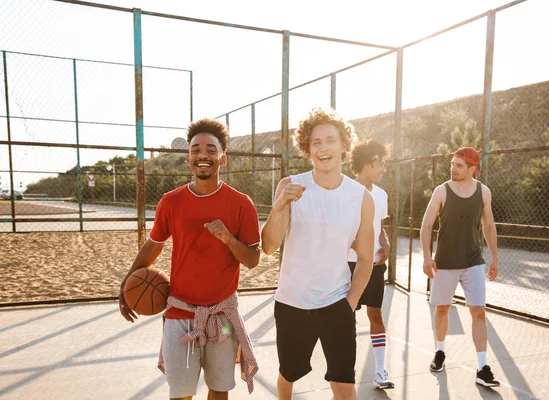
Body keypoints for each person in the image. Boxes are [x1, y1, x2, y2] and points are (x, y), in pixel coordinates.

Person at [118, 118, 260, 400]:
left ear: (223, 158)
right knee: (180, 393)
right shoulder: (171, 201)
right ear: (188, 159)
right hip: (180, 313)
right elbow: (153, 245)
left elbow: (253, 259)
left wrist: (229, 240)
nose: (203, 155)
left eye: (210, 149)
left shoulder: (241, 203)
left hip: (222, 315)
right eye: (196, 150)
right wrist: (126, 285)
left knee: (219, 391)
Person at [261, 108, 375, 400]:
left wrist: (349, 303)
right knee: (288, 374)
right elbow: (269, 246)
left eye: (330, 140)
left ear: (344, 145)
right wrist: (278, 208)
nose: (323, 148)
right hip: (292, 302)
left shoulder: (361, 197)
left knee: (344, 385)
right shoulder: (291, 186)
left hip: (337, 302)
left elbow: (365, 257)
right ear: (308, 149)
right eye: (316, 143)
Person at [420, 147, 500, 387]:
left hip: (473, 261)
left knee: (478, 312)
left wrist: (494, 256)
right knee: (443, 308)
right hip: (445, 262)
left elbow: (488, 225)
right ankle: (440, 351)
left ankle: (482, 368)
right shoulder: (442, 191)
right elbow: (426, 225)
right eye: (452, 164)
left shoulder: (484, 192)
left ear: (472, 168)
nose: (453, 168)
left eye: (459, 165)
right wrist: (426, 256)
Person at [347, 140, 394, 390]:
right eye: (380, 164)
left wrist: (384, 245)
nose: (383, 169)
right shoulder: (344, 191)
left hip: (374, 267)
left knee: (375, 314)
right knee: (347, 318)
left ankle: (379, 371)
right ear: (367, 165)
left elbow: (380, 228)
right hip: (349, 265)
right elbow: (341, 231)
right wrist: (359, 248)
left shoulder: (381, 194)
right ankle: (346, 371)